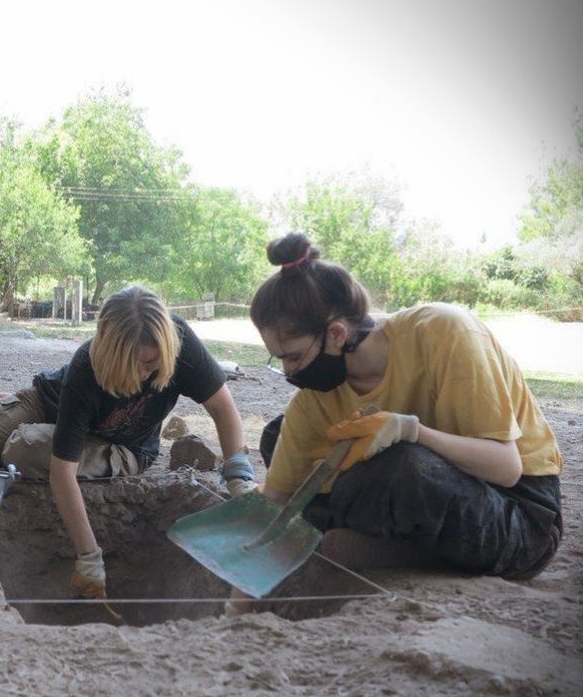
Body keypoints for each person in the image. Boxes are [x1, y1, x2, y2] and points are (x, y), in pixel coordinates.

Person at [240, 231, 562, 607]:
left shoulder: (447, 333)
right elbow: (277, 503)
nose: (289, 371)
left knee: (402, 466)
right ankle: (403, 544)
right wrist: (238, 596)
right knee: (279, 437)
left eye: (293, 357)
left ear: (336, 334)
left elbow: (506, 467)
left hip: (518, 515)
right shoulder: (315, 398)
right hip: (420, 492)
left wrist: (412, 430)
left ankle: (403, 549)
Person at [0, 285, 257, 602]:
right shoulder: (86, 366)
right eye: (136, 363)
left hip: (123, 446)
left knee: (24, 449)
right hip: (50, 404)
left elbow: (221, 406)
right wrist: (90, 556)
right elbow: (63, 473)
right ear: (109, 352)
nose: (145, 373)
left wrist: (239, 476)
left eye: (153, 363)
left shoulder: (178, 340)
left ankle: (21, 446)